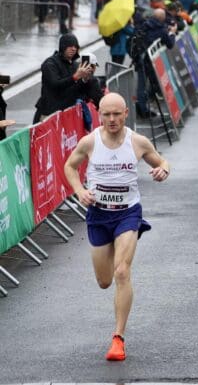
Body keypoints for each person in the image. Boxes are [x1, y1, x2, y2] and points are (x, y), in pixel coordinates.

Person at [63, 93, 170, 361]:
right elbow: (70, 166)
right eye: (106, 115)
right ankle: (117, 331)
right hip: (98, 215)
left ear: (125, 113)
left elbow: (162, 161)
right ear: (100, 114)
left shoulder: (138, 142)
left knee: (122, 271)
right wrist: (79, 191)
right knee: (104, 281)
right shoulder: (90, 142)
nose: (111, 120)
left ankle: (118, 339)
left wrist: (162, 170)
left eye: (116, 114)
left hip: (128, 214)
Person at [34, 33, 102, 123]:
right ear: (62, 47)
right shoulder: (50, 64)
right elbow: (55, 84)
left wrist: (85, 79)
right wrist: (75, 77)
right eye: (70, 46)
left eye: (75, 46)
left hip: (67, 114)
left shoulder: (75, 64)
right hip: (48, 113)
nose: (73, 49)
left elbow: (77, 88)